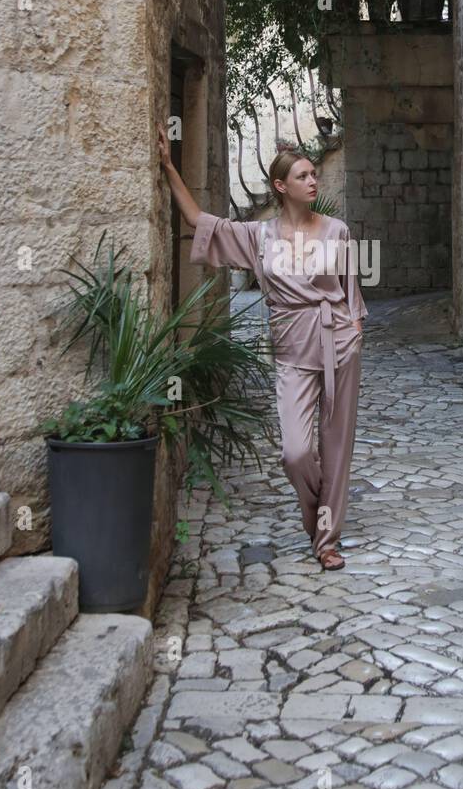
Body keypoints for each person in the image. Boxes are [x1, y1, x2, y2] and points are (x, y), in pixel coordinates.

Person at [157, 127, 368, 572]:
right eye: (303, 176)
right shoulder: (259, 237)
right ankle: (318, 523)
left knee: (336, 447)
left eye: (314, 174)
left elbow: (353, 294)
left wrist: (355, 330)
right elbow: (200, 221)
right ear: (280, 186)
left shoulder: (338, 231)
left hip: (338, 345)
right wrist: (170, 167)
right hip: (292, 348)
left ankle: (326, 540)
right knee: (295, 452)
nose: (313, 181)